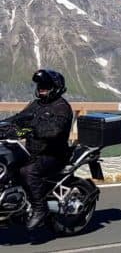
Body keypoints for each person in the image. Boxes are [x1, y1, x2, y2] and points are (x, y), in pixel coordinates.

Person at [3, 69, 73, 229]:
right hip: (32, 151)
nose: (42, 88)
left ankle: (39, 209)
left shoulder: (61, 107)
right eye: (40, 85)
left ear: (56, 87)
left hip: (53, 155)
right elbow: (18, 119)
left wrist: (30, 130)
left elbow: (54, 130)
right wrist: (4, 126)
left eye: (46, 85)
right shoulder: (37, 104)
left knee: (27, 172)